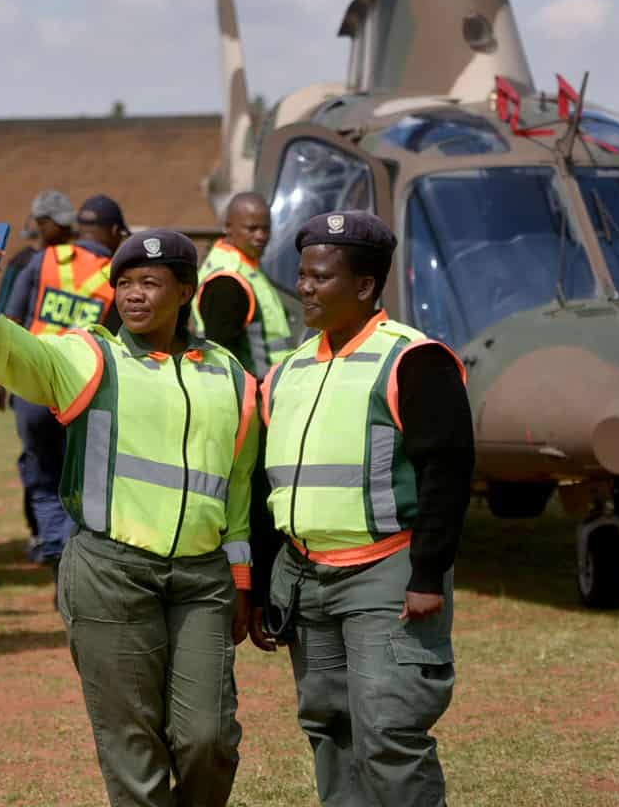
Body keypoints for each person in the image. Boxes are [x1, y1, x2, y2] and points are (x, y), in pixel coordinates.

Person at [0, 228, 258, 807]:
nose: (133, 295)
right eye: (123, 283)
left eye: (150, 283)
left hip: (202, 583)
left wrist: (242, 580)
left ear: (185, 290)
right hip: (111, 574)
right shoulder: (89, 356)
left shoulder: (231, 377)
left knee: (207, 738)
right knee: (132, 742)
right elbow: (21, 353)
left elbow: (237, 488)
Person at [249, 210, 474, 807]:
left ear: (366, 287)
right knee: (329, 728)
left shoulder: (415, 359)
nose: (305, 287)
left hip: (387, 575)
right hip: (304, 578)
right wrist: (265, 584)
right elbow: (263, 485)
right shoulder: (288, 371)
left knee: (389, 732)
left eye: (321, 277)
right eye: (302, 275)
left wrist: (427, 574)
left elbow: (446, 474)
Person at [0, 189, 119, 568]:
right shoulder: (117, 275)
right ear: (113, 232)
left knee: (43, 476)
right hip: (84, 391)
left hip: (33, 386)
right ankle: (78, 551)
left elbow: (8, 322)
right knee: (82, 476)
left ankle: (56, 546)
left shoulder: (46, 260)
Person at [194, 191, 296, 377]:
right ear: (228, 227)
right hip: (253, 397)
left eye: (266, 229)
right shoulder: (228, 280)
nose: (261, 236)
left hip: (269, 392)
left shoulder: (246, 265)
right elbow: (220, 354)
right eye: (252, 228)